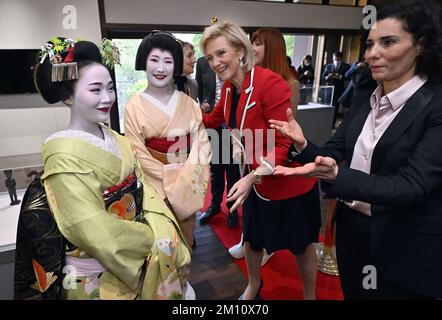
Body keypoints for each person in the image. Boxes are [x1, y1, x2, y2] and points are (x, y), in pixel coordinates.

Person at [270, 0, 442, 299]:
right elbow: (332, 152)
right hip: (351, 228)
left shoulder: (435, 106)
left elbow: (411, 186)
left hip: (403, 241)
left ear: (420, 46)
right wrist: (302, 144)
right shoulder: (365, 97)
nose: (372, 53)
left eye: (388, 42)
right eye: (370, 43)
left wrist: (339, 176)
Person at [14, 38, 192, 300]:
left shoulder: (116, 140)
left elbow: (146, 192)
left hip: (145, 247)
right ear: (67, 97)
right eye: (95, 90)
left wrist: (161, 232)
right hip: (97, 274)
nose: (107, 98)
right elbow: (93, 229)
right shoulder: (62, 158)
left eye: (110, 88)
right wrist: (151, 240)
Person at [200, 21, 321, 300]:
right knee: (252, 241)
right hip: (255, 182)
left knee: (301, 246)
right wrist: (184, 113)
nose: (215, 63)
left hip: (287, 184)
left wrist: (251, 177)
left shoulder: (270, 83)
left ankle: (310, 295)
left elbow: (283, 143)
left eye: (221, 54)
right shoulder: (230, 89)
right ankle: (254, 284)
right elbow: (214, 118)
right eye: (209, 57)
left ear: (241, 51)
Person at [124, 31, 211, 250]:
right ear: (144, 62)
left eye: (168, 61)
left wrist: (184, 178)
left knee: (186, 240)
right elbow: (137, 152)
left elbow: (201, 143)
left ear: (176, 66)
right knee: (161, 245)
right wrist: (170, 179)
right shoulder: (133, 106)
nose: (160, 68)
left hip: (187, 181)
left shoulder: (188, 103)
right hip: (155, 188)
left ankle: (182, 284)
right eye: (154, 60)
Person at [228, 27, 303, 264]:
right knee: (249, 201)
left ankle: (265, 246)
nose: (253, 48)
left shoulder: (286, 82)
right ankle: (247, 240)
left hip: (272, 154)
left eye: (259, 43)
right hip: (251, 152)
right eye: (252, 43)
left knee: (263, 197)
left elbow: (284, 129)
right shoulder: (247, 80)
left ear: (273, 48)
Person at [196, 56, 241, 228]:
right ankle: (215, 205)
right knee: (216, 168)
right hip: (213, 121)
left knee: (232, 171)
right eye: (211, 55)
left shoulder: (235, 67)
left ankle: (232, 209)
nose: (216, 61)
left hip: (234, 127)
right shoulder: (202, 63)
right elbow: (200, 90)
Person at [322, 51, 350, 128]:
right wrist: (328, 77)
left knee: (335, 107)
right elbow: (323, 77)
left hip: (339, 89)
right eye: (335, 59)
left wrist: (340, 76)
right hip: (329, 89)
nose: (336, 61)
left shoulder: (346, 66)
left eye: (338, 59)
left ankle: (332, 125)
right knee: (326, 106)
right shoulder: (328, 66)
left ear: (341, 59)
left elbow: (348, 77)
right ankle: (324, 123)